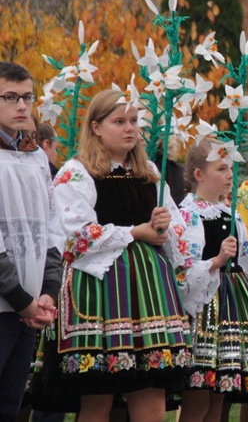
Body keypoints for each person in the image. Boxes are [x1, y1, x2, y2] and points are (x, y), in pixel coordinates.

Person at [32, 89, 190, 421]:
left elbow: (178, 229)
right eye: (119, 121)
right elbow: (73, 235)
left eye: (133, 121)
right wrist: (135, 232)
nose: (129, 128)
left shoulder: (148, 170)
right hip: (101, 290)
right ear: (96, 127)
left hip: (149, 291)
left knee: (150, 395)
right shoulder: (78, 171)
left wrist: (164, 227)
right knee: (98, 397)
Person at [178, 139, 248, 422]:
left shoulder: (231, 215)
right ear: (199, 174)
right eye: (221, 169)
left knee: (218, 398)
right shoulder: (186, 216)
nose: (229, 176)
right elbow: (179, 271)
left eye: (231, 169)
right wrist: (216, 262)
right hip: (203, 313)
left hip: (233, 310)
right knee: (198, 397)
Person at [0, 62, 61, 420]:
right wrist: (22, 300)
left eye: (28, 97)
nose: (22, 106)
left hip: (30, 307)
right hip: (10, 301)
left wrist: (48, 291)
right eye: (10, 97)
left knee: (11, 405)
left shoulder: (36, 155)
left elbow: (52, 229)